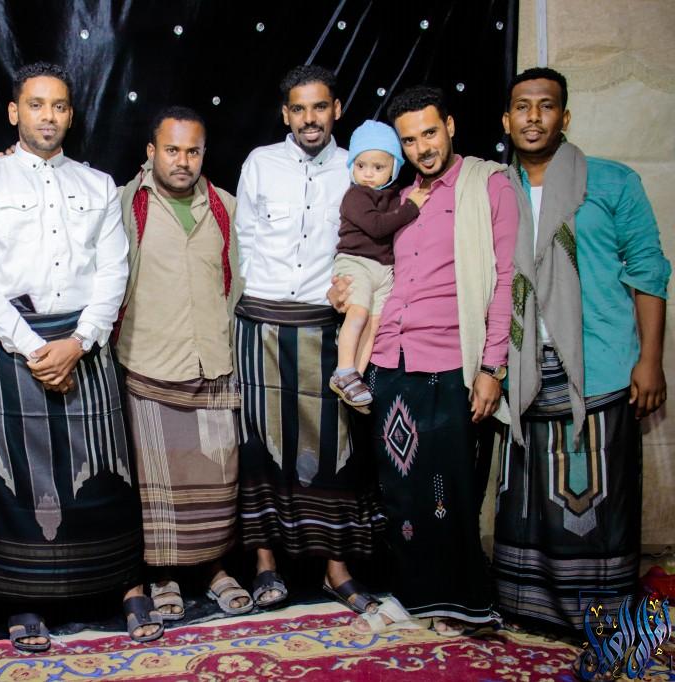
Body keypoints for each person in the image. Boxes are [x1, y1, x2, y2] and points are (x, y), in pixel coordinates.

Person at [0, 62, 157, 651]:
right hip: (17, 341)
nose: (48, 116)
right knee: (20, 478)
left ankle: (127, 588)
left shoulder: (97, 184)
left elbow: (114, 271)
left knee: (105, 473)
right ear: (15, 112)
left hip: (84, 343)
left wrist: (79, 342)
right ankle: (23, 600)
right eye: (36, 105)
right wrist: (34, 347)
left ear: (70, 115)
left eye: (59, 106)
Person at [495, 67, 670, 630]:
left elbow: (648, 270)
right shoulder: (495, 190)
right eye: (522, 106)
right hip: (521, 371)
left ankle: (599, 617)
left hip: (599, 367)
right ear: (506, 120)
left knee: (599, 505)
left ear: (564, 117)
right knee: (530, 506)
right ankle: (528, 610)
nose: (533, 117)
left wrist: (650, 360)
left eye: (546, 106)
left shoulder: (612, 183)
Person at [348, 85, 519, 636]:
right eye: (409, 140)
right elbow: (372, 266)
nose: (422, 148)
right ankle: (410, 595)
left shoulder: (488, 185)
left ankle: (461, 602)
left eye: (429, 133)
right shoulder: (398, 200)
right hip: (390, 358)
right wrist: (343, 287)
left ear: (449, 126)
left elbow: (508, 280)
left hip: (451, 361)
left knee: (447, 491)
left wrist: (492, 367)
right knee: (399, 490)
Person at [234, 64, 385, 614]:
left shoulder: (358, 167)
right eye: (298, 109)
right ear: (285, 114)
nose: (309, 118)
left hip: (327, 327)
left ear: (336, 109)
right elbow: (244, 241)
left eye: (319, 107)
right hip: (261, 324)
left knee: (336, 448)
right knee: (259, 446)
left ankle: (335, 569)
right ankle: (265, 565)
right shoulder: (260, 163)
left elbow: (373, 243)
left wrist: (354, 286)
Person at [115, 106, 251, 620]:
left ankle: (215, 570)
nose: (183, 161)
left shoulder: (225, 206)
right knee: (159, 490)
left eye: (193, 151)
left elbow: (237, 280)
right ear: (151, 152)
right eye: (172, 150)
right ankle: (163, 577)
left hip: (212, 361)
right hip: (150, 361)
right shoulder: (126, 203)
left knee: (217, 480)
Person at [329, 120, 429, 412]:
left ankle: (354, 381)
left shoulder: (394, 196)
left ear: (394, 168)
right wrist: (411, 207)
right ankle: (343, 369)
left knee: (374, 325)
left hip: (383, 270)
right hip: (356, 262)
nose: (368, 173)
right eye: (361, 166)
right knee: (358, 315)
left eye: (378, 167)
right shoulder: (355, 196)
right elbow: (377, 226)